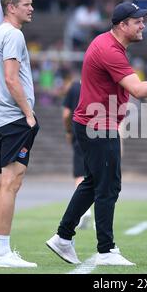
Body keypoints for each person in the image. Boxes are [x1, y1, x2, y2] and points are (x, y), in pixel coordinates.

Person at [46, 1, 147, 266]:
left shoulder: (108, 43)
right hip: (98, 125)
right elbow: (138, 90)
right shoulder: (110, 50)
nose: (143, 25)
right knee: (108, 187)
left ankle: (63, 237)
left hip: (95, 123)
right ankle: (105, 250)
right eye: (137, 21)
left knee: (94, 183)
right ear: (121, 25)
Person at [0, 0, 39, 268]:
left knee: (1, 183)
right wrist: (29, 114)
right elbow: (11, 78)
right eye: (26, 4)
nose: (31, 8)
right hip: (14, 118)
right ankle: (2, 253)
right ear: (11, 8)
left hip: (1, 118)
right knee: (11, 183)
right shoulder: (14, 34)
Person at [62, 78, 92, 229]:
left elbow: (66, 114)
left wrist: (68, 131)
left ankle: (84, 209)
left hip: (79, 132)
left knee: (80, 173)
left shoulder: (73, 87)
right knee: (96, 174)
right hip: (99, 132)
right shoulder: (96, 83)